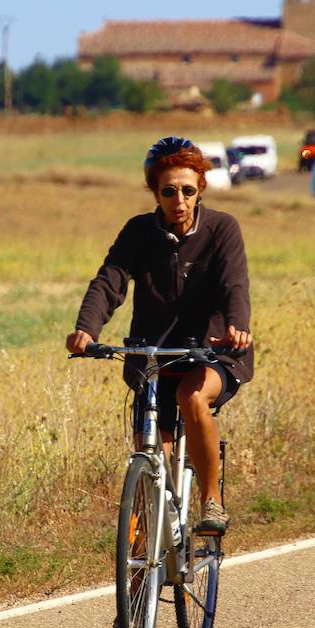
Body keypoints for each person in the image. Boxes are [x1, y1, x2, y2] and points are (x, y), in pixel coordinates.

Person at [67, 137, 253, 534]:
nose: (179, 201)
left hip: (213, 350)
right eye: (169, 191)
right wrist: (87, 329)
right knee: (150, 446)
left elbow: (234, 285)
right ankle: (144, 564)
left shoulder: (222, 229)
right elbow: (109, 281)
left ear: (200, 188)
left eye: (187, 190)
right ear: (155, 192)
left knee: (191, 395)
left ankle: (211, 502)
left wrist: (237, 326)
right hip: (152, 354)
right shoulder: (138, 232)